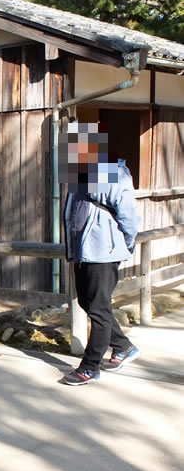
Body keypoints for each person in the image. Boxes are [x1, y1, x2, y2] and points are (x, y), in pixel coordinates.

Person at [61, 122, 141, 386]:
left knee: (98, 308)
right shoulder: (78, 176)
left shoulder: (114, 173)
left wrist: (125, 245)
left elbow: (129, 216)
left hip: (103, 253)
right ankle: (124, 346)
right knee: (89, 303)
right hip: (83, 252)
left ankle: (90, 366)